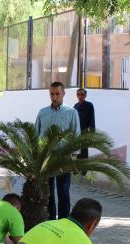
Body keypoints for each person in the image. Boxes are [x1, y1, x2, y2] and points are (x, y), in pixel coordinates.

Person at [35, 81, 80, 220]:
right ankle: (50, 221)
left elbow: (76, 134)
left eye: (57, 94)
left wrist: (74, 156)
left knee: (63, 192)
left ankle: (63, 221)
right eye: (52, 94)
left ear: (63, 94)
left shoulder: (71, 112)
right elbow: (36, 134)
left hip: (63, 158)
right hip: (46, 158)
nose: (54, 97)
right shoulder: (43, 112)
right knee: (47, 192)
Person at [74, 88, 95, 175]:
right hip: (77, 132)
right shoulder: (75, 106)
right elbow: (74, 120)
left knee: (84, 151)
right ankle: (76, 169)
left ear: (85, 95)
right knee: (76, 151)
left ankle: (84, 170)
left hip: (85, 131)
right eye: (78, 94)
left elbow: (92, 119)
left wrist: (92, 133)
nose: (80, 96)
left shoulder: (89, 105)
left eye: (82, 94)